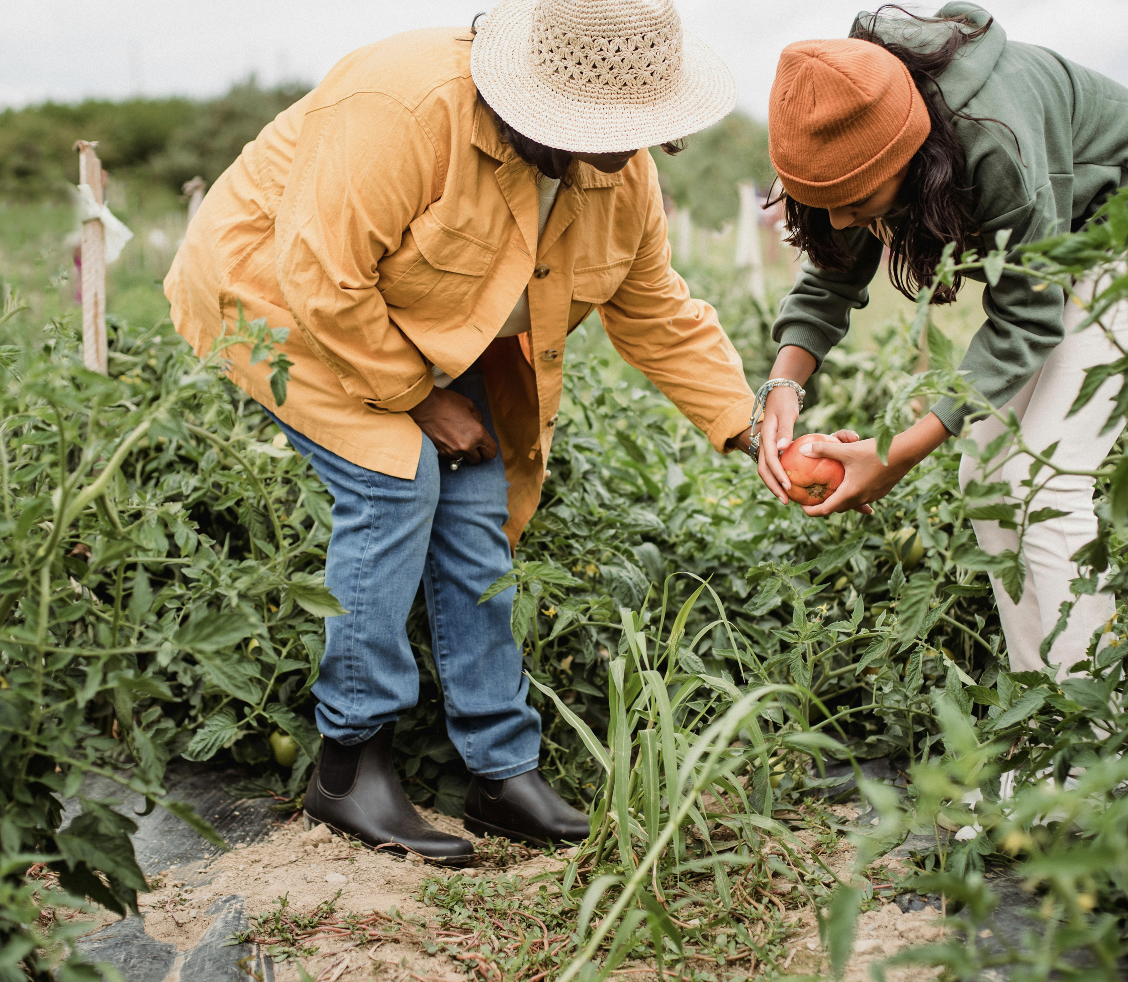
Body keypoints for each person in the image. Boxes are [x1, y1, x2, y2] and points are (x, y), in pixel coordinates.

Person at [164, 0, 761, 865]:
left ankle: (500, 770)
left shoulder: (618, 172)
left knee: (476, 509)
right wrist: (420, 397)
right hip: (279, 302)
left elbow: (656, 310)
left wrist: (748, 428)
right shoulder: (405, 109)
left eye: (642, 128)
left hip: (427, 319)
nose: (626, 150)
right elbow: (321, 280)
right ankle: (348, 762)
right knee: (396, 478)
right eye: (606, 127)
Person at [756, 1, 1128, 679]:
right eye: (825, 201)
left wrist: (896, 454)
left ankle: (1090, 759)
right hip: (1069, 249)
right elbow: (831, 276)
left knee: (1039, 483)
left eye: (857, 199)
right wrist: (784, 385)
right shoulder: (849, 115)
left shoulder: (996, 141)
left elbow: (1026, 317)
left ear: (910, 150)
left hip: (1123, 240)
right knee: (988, 477)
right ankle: (1045, 739)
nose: (842, 218)